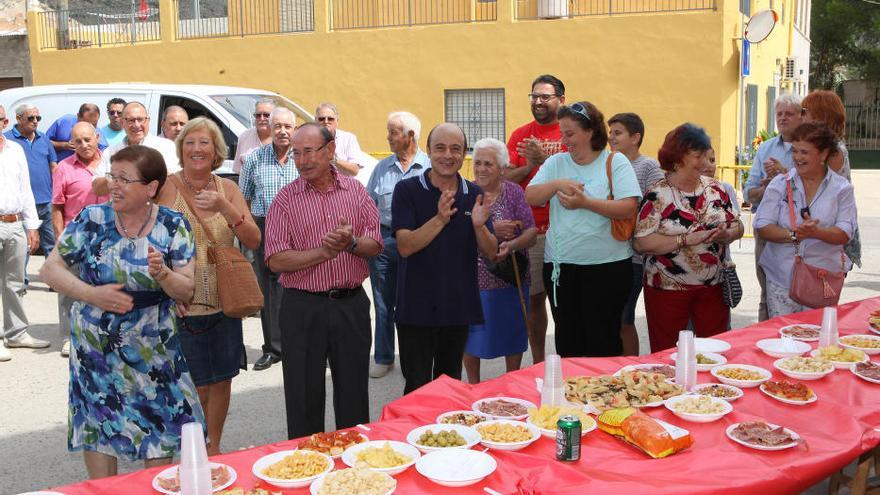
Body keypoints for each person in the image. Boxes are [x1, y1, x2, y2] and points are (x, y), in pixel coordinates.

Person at [39, 145, 205, 479]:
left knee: (159, 426)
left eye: (124, 179)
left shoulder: (173, 225)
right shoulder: (92, 219)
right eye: (112, 176)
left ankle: (154, 486)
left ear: (150, 188)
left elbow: (187, 290)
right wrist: (92, 294)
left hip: (154, 349)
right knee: (99, 424)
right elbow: (50, 270)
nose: (113, 185)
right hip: (95, 350)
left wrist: (163, 275)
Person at [264, 123, 382, 438]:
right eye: (296, 154)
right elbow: (275, 259)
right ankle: (306, 469)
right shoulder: (285, 200)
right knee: (303, 397)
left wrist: (351, 244)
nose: (302, 161)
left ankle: (354, 468)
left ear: (330, 151)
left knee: (354, 395)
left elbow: (376, 244)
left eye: (309, 152)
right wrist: (323, 252)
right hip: (302, 308)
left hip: (350, 305)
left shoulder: (356, 191)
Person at [157, 117, 260, 455]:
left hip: (224, 300)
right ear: (180, 148)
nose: (197, 149)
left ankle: (212, 447)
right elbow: (145, 240)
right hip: (182, 302)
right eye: (190, 142)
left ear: (216, 151)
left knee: (222, 379)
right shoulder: (165, 187)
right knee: (195, 385)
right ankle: (192, 449)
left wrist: (224, 207)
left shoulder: (227, 189)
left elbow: (254, 239)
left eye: (204, 143)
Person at [525, 102, 641, 358]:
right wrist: (557, 183)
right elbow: (530, 195)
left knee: (603, 342)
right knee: (568, 342)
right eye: (562, 133)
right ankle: (568, 397)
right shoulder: (556, 163)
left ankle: (603, 398)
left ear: (589, 132)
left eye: (570, 134)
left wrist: (585, 203)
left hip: (608, 268)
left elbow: (628, 207)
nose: (564, 140)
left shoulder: (615, 161)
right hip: (561, 268)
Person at [393, 123, 497, 394]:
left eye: (455, 149)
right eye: (440, 148)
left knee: (448, 383)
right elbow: (405, 246)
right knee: (416, 385)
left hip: (457, 306)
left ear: (464, 154)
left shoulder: (474, 194)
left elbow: (491, 251)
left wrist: (478, 226)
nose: (448, 155)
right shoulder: (406, 190)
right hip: (415, 306)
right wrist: (440, 218)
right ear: (428, 151)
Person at [633, 124, 744, 352]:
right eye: (698, 156)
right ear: (677, 159)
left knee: (714, 351)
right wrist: (685, 240)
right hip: (667, 291)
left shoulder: (716, 189)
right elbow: (641, 242)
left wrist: (729, 234)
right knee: (668, 353)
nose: (705, 162)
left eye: (706, 155)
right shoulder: (656, 195)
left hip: (712, 288)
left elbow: (738, 225)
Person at [754, 123, 856, 317]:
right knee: (784, 338)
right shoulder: (780, 183)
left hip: (823, 279)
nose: (797, 158)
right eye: (794, 151)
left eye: (804, 152)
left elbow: (845, 232)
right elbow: (762, 226)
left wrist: (816, 232)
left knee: (817, 338)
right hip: (781, 277)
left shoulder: (842, 189)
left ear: (824, 154)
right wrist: (795, 234)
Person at [463, 138, 536, 384]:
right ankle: (473, 385)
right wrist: (492, 228)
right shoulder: (467, 193)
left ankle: (512, 382)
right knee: (472, 339)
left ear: (503, 169)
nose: (481, 169)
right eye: (478, 163)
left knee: (512, 334)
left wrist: (512, 244)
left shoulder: (514, 192)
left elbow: (532, 233)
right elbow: (456, 235)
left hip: (510, 279)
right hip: (474, 281)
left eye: (489, 164)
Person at [506, 74, 567, 365]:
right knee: (533, 301)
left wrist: (545, 160)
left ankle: (567, 361)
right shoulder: (520, 135)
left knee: (562, 301)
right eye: (534, 96)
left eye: (545, 96)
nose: (539, 102)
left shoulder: (569, 133)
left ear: (561, 100)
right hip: (530, 230)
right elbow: (507, 177)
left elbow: (574, 177)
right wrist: (529, 164)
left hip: (563, 231)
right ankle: (539, 363)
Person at [364, 111, 430, 379]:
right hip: (384, 242)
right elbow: (368, 206)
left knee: (415, 301)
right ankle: (383, 356)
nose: (388, 137)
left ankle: (415, 357)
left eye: (393, 132)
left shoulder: (429, 168)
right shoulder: (381, 168)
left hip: (418, 242)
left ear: (410, 136)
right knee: (383, 303)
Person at [239, 107, 299, 371]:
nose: (283, 131)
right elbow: (245, 198)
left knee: (301, 286)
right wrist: (251, 230)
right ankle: (273, 348)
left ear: (294, 129)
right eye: (278, 126)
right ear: (269, 129)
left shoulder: (306, 157)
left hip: (302, 226)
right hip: (266, 225)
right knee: (270, 289)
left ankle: (299, 345)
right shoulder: (254, 159)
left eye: (287, 126)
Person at [607, 112, 665, 356]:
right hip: (608, 251)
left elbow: (658, 204)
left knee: (624, 317)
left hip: (633, 256)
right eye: (610, 133)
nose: (611, 137)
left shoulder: (648, 166)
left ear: (635, 137)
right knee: (610, 318)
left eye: (617, 132)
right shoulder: (606, 163)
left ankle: (629, 364)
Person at [51, 122, 109, 358]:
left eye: (88, 139)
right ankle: (68, 336)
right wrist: (59, 239)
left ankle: (101, 334)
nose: (84, 145)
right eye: (78, 141)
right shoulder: (63, 168)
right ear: (72, 143)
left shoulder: (109, 162)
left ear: (97, 138)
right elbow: (57, 207)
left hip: (108, 235)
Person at [744, 93, 802, 321]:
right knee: (767, 292)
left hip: (799, 231)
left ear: (801, 116)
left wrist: (784, 175)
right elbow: (749, 192)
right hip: (767, 230)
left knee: (800, 290)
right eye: (779, 114)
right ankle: (764, 337)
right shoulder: (766, 148)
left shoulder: (807, 148)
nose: (783, 118)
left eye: (789, 114)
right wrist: (767, 188)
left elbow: (809, 190)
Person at [0, 105, 43, 361]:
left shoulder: (15, 149)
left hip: (14, 222)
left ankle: (16, 333)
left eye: (1, 118)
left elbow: (24, 189)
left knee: (15, 283)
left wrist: (32, 225)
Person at [801, 90, 861, 268]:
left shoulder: (833, 150)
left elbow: (814, 182)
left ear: (820, 115)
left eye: (805, 110)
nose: (801, 116)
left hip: (832, 236)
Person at [92, 102, 179, 196]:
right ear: (122, 123)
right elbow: (97, 189)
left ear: (148, 120)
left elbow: (175, 181)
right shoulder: (111, 152)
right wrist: (117, 175)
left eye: (140, 119)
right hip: (120, 209)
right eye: (131, 120)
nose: (136, 125)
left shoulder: (166, 147)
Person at [5, 104, 57, 259]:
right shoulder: (7, 141)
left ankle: (54, 280)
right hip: (22, 204)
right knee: (24, 247)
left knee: (51, 244)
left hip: (46, 201)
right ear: (18, 118)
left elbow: (54, 166)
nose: (35, 121)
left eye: (38, 118)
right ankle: (22, 281)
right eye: (31, 118)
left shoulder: (43, 138)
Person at [315, 102, 377, 180]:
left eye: (330, 119)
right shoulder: (307, 140)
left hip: (343, 189)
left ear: (337, 121)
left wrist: (334, 159)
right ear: (315, 121)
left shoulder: (348, 139)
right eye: (321, 119)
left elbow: (354, 170)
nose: (326, 121)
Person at [233, 98, 276, 174]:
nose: (262, 118)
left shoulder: (281, 137)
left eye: (266, 115)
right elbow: (238, 171)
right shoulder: (244, 136)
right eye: (258, 115)